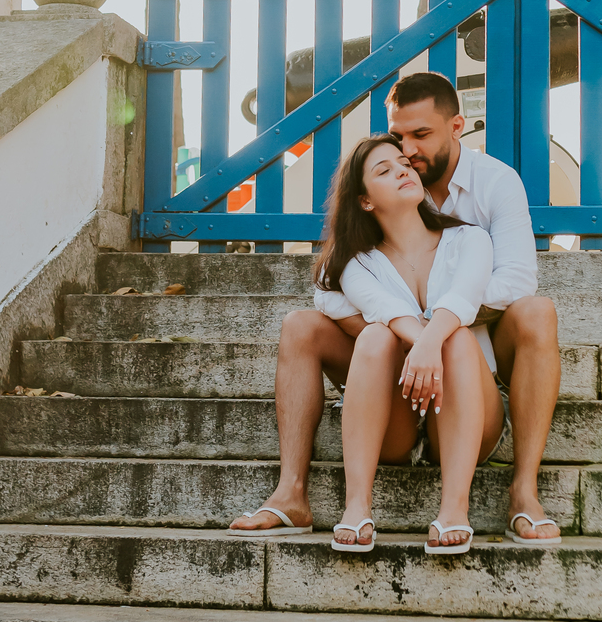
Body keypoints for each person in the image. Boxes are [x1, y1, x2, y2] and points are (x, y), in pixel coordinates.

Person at [229, 71, 562, 544]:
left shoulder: (488, 195)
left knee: (532, 312)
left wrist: (439, 331)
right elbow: (331, 288)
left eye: (419, 136)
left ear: (456, 127)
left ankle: (523, 492)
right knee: (306, 326)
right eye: (397, 138)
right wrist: (399, 333)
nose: (406, 154)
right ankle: (292, 492)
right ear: (365, 199)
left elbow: (514, 281)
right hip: (396, 378)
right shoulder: (372, 238)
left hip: (472, 364)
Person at [314, 133, 505, 553]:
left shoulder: (469, 239)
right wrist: (420, 345)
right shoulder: (356, 263)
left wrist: (429, 345)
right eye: (384, 170)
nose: (402, 169)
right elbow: (380, 306)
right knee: (376, 333)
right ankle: (356, 506)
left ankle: (455, 508)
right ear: (365, 201)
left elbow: (463, 300)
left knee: (454, 339)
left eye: (403, 163)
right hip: (401, 409)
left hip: (467, 401)